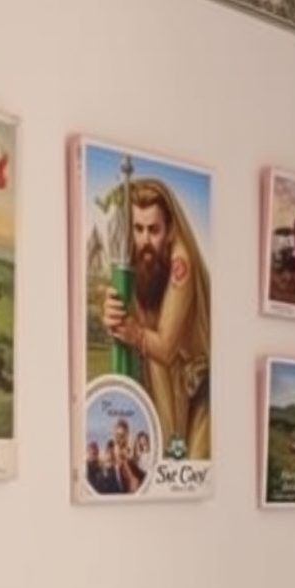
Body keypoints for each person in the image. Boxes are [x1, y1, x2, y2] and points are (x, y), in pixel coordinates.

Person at [101, 178, 210, 460]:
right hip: (167, 390)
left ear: (171, 229)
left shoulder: (179, 263)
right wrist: (112, 312)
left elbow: (165, 347)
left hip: (199, 393)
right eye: (138, 229)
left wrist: (133, 332)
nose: (145, 240)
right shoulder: (139, 259)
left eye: (153, 230)